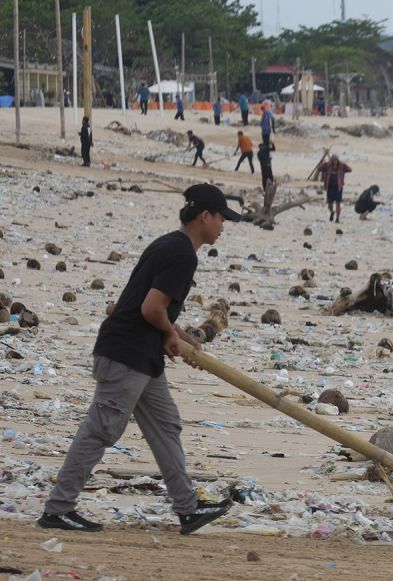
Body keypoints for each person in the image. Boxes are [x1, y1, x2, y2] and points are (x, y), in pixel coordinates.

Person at [38, 184, 242, 535]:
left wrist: (181, 334)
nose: (224, 226)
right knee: (101, 429)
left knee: (166, 427)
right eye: (222, 218)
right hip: (126, 355)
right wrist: (167, 333)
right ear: (205, 216)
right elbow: (150, 309)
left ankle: (188, 508)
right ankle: (58, 510)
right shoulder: (182, 254)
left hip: (142, 357)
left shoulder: (168, 244)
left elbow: (143, 303)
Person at [318, 153, 351, 223]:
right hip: (330, 187)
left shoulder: (341, 167)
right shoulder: (327, 167)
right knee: (330, 203)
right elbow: (319, 169)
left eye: (336, 161)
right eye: (333, 161)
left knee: (338, 203)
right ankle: (332, 212)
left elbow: (349, 169)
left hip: (338, 188)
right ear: (332, 161)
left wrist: (343, 165)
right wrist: (325, 163)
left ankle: (337, 218)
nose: (335, 162)